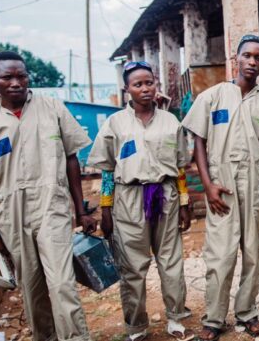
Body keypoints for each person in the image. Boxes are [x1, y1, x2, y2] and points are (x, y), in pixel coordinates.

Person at [0, 51, 94, 341]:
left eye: (21, 75)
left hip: (52, 206)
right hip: (11, 213)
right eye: (7, 77)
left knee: (62, 283)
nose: (16, 82)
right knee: (31, 287)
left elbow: (72, 159)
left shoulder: (52, 108)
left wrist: (80, 210)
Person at [181, 35, 259, 341]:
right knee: (221, 253)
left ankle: (247, 313)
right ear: (235, 58)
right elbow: (198, 142)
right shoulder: (212, 97)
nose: (253, 62)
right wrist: (208, 186)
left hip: (256, 183)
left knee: (253, 252)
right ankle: (214, 318)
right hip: (222, 184)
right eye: (247, 56)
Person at [88, 61, 193, 341]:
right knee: (132, 266)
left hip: (165, 195)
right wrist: (106, 209)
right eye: (138, 84)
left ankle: (176, 316)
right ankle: (136, 326)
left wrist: (184, 202)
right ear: (127, 90)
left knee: (171, 261)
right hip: (128, 198)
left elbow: (180, 166)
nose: (145, 88)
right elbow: (107, 169)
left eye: (149, 82)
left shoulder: (171, 122)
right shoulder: (115, 124)